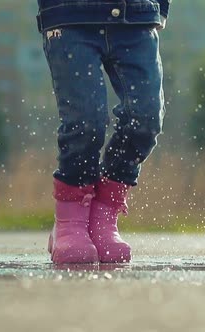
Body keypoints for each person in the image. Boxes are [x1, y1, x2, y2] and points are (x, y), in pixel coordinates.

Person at [37, 0, 170, 264]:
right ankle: (70, 219)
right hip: (70, 18)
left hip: (137, 17)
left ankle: (104, 215)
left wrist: (160, 9)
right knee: (85, 122)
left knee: (145, 118)